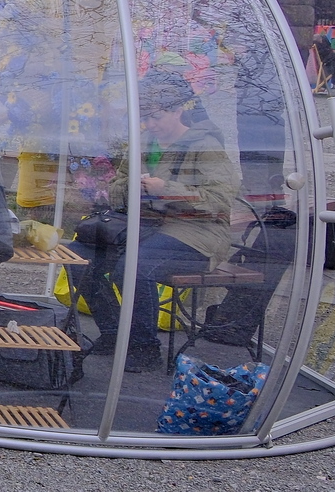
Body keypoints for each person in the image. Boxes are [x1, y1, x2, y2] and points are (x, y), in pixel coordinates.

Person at [75, 71, 242, 372]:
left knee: (133, 267)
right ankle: (113, 334)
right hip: (145, 227)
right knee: (80, 258)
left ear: (178, 110)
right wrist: (132, 188)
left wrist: (166, 189)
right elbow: (117, 187)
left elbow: (220, 200)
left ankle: (144, 348)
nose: (149, 124)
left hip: (197, 234)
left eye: (156, 117)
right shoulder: (143, 143)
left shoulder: (205, 146)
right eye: (145, 118)